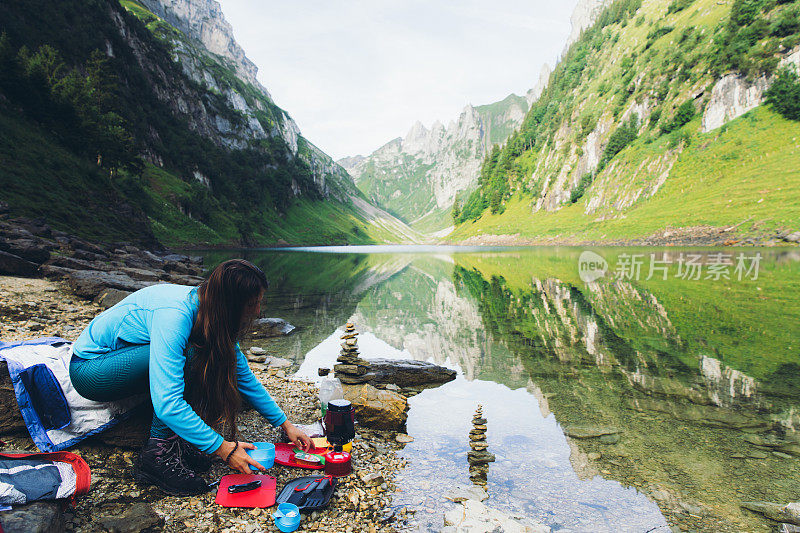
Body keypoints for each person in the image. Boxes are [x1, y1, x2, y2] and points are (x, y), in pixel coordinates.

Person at [68, 259, 311, 496]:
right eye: (251, 305)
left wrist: (285, 424)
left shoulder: (212, 308)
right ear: (230, 303)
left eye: (259, 303)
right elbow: (167, 403)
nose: (258, 312)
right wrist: (223, 448)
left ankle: (179, 439)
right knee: (193, 353)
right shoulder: (175, 316)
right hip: (91, 370)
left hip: (125, 360)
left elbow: (243, 376)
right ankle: (157, 455)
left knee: (200, 352)